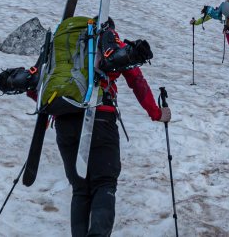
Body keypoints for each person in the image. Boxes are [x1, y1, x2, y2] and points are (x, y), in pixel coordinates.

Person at [26, 19, 170, 237]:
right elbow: (136, 79)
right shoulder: (106, 39)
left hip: (64, 121)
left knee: (80, 189)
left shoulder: (62, 47)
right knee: (104, 183)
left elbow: (36, 86)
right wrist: (157, 113)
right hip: (100, 117)